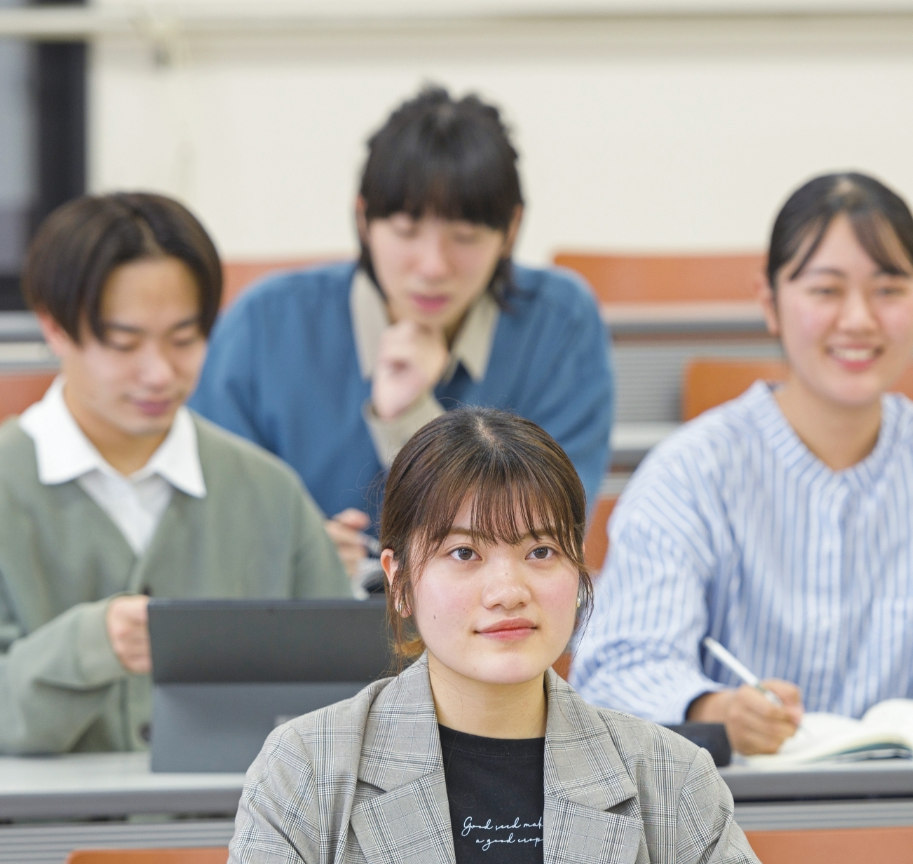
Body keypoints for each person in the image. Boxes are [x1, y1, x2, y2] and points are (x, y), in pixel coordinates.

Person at [184, 408, 832, 864]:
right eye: (464, 554)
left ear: (580, 574)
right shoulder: (308, 765)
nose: (508, 591)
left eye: (541, 552)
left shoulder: (667, 773)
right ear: (399, 581)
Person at [571, 172, 913, 757]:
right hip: (732, 828)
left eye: (889, 289)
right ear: (771, 304)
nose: (859, 319)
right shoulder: (689, 474)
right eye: (826, 290)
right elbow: (623, 664)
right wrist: (710, 711)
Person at [0, 192, 350, 756]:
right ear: (55, 328)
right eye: (124, 342)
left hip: (239, 838)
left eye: (184, 339)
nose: (159, 372)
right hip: (47, 842)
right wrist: (89, 647)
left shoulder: (268, 492)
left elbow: (343, 705)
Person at [189, 85, 614, 579]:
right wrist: (294, 558)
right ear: (364, 219)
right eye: (407, 231)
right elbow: (208, 524)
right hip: (297, 634)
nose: (433, 266)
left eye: (466, 236)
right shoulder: (265, 326)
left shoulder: (560, 325)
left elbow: (546, 544)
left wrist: (412, 420)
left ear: (511, 230)